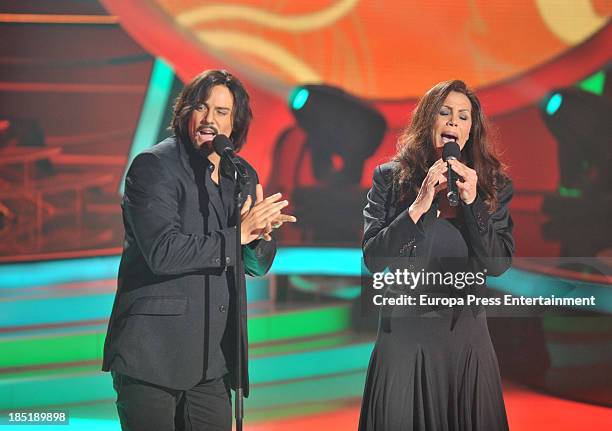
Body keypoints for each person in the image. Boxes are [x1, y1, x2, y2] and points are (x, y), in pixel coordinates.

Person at [103, 69, 295, 431]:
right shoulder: (153, 167)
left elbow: (255, 265)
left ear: (234, 123)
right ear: (185, 112)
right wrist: (238, 235)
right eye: (201, 108)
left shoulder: (241, 175)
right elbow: (163, 251)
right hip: (153, 356)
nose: (209, 120)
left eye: (222, 112)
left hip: (212, 360)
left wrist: (258, 237)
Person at [358, 80, 514, 430]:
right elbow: (375, 260)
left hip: (466, 338)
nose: (453, 123)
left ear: (472, 130)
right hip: (405, 338)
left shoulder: (492, 184)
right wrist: (419, 205)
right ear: (428, 121)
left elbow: (498, 264)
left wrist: (474, 203)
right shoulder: (390, 179)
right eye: (444, 113)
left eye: (463, 116)